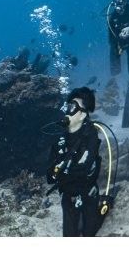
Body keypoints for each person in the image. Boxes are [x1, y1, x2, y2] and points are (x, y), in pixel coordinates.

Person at [46, 87, 102, 237]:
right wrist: (63, 172)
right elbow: (49, 177)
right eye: (68, 106)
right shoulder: (60, 140)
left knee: (91, 233)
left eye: (73, 107)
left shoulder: (90, 135)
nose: (67, 110)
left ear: (83, 114)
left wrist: (61, 171)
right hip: (68, 197)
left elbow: (83, 170)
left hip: (88, 195)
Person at [107, 0, 129, 79]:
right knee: (113, 52)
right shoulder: (111, 18)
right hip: (120, 42)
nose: (118, 4)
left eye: (121, 0)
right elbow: (110, 38)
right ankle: (115, 78)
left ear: (126, 1)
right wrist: (118, 41)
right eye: (116, 0)